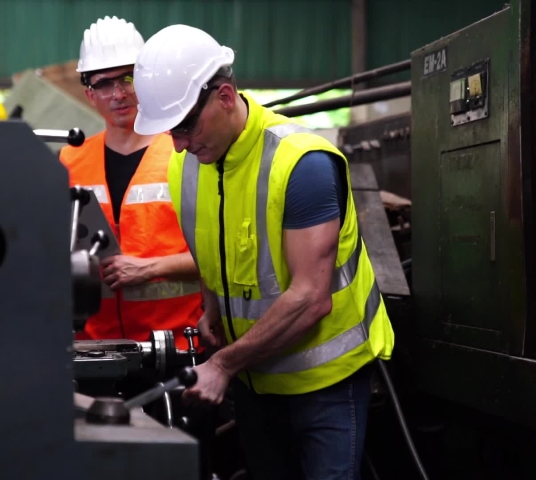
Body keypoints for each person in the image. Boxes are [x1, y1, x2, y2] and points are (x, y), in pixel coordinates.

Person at [132, 24, 396, 480]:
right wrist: (212, 307)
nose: (177, 144)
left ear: (226, 96)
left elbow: (311, 297)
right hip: (256, 383)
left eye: (185, 126)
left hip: (325, 385)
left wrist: (224, 363)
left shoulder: (302, 164)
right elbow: (216, 252)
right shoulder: (186, 167)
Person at [58, 16, 203, 351]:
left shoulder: (187, 153)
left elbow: (220, 257)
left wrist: (150, 268)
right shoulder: (70, 160)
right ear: (89, 94)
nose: (119, 94)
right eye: (104, 84)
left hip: (176, 346)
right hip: (91, 349)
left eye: (128, 78)